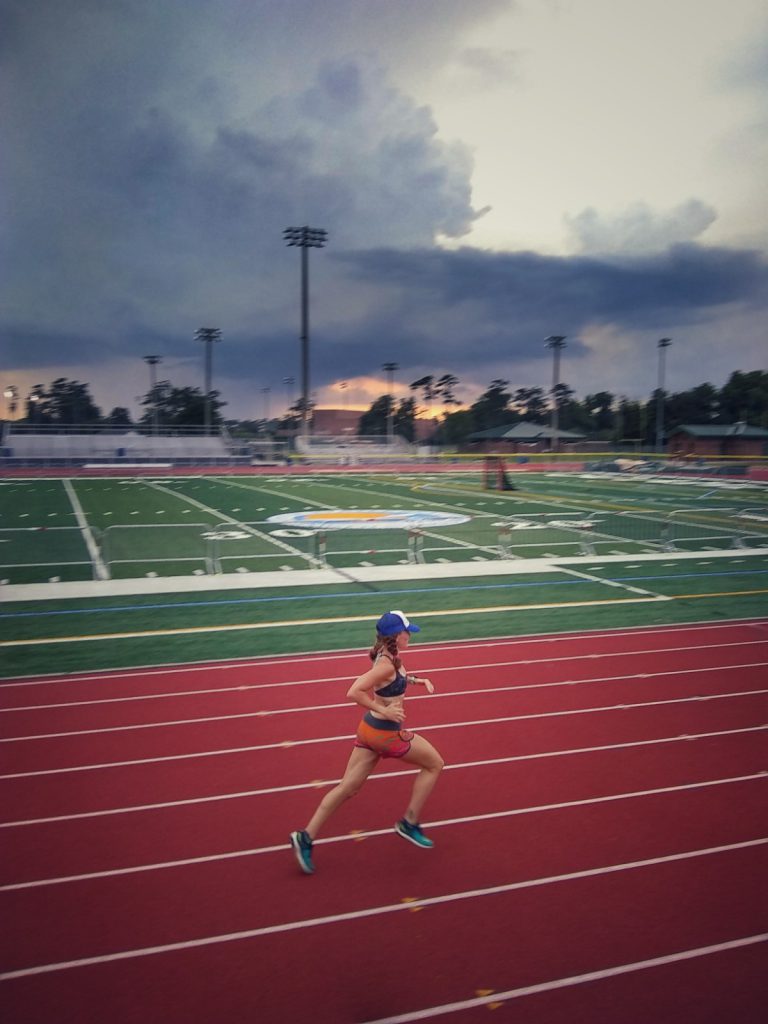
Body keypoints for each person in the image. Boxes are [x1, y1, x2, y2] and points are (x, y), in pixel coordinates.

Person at [290, 609, 444, 874]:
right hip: (385, 734)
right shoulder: (385, 663)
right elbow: (354, 691)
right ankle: (409, 822)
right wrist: (385, 710)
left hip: (369, 731)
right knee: (434, 764)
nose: (412, 636)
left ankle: (305, 837)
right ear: (397, 635)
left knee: (347, 788)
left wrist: (419, 681)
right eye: (408, 632)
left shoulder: (388, 657)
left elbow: (394, 680)